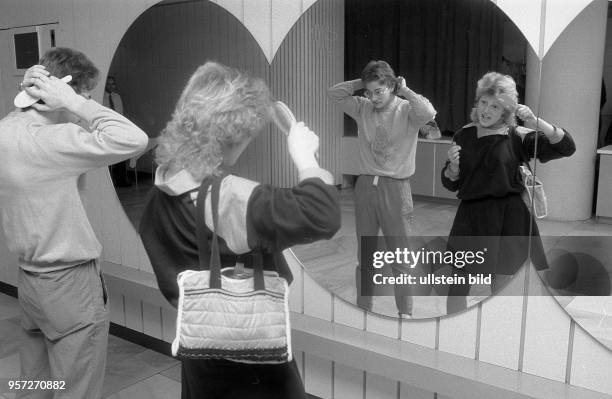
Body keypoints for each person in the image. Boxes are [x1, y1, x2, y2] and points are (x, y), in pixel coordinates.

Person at [139, 61, 340, 399]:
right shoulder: (228, 198)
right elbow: (324, 213)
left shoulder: (159, 191)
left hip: (200, 346)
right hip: (250, 355)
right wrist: (306, 158)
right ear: (233, 134)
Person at [0, 48, 148, 398]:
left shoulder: (6, 130)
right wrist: (76, 104)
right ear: (61, 91)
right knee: (76, 388)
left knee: (35, 381)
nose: (87, 100)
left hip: (30, 281)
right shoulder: (55, 141)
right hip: (69, 284)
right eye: (85, 93)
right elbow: (134, 139)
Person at [441, 72, 576, 313]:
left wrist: (536, 122)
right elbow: (451, 183)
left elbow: (567, 147)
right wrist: (452, 168)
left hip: (508, 218)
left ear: (505, 112)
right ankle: (454, 332)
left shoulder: (517, 136)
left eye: (495, 106)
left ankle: (499, 337)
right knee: (458, 282)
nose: (486, 110)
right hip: (471, 217)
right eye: (483, 102)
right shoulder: (464, 134)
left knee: (500, 285)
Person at [327, 60, 436, 316]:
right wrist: (361, 84)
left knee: (401, 257)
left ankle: (405, 312)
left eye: (379, 91)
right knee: (365, 256)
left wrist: (405, 90)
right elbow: (333, 93)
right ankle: (364, 308)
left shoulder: (407, 110)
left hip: (396, 189)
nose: (373, 98)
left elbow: (429, 113)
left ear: (391, 86)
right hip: (365, 187)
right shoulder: (361, 107)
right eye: (369, 92)